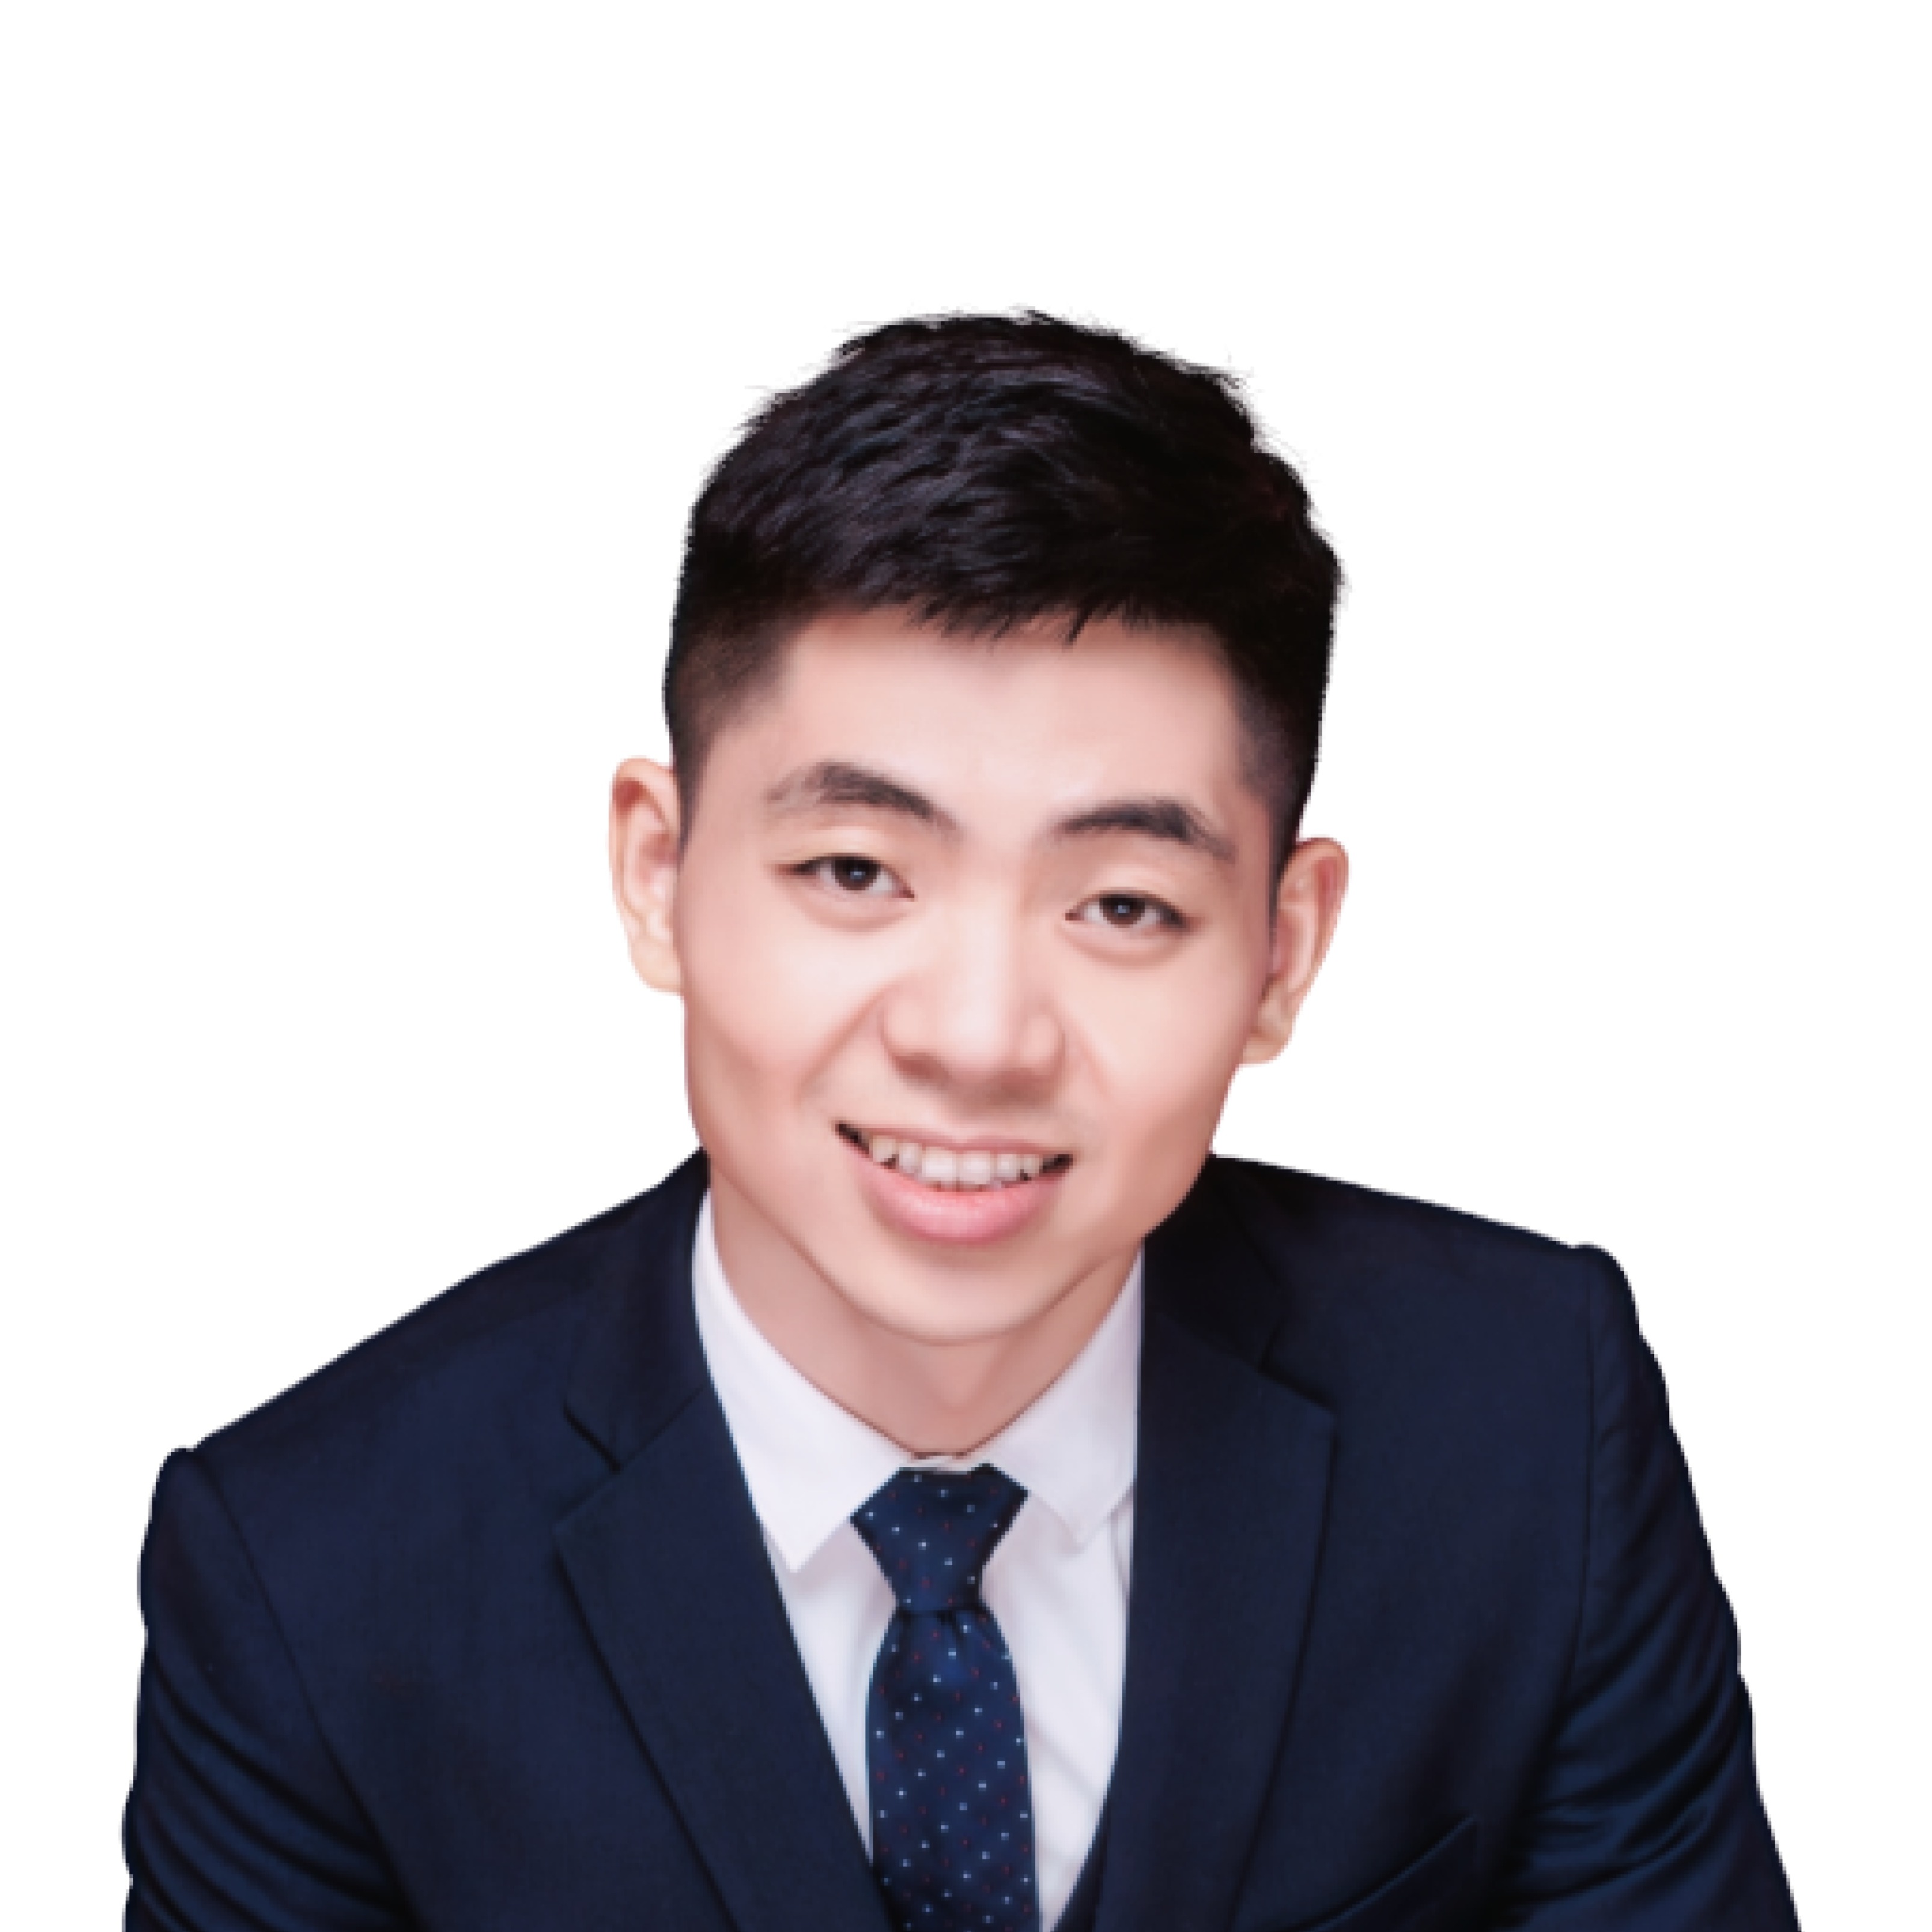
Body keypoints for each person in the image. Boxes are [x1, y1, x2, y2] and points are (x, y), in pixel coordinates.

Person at [123, 314, 1799, 1932]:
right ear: (658, 872)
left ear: (1280, 954)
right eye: (857, 871)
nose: (978, 1039)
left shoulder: (1526, 1425)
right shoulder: (310, 1570)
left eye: (1124, 904)